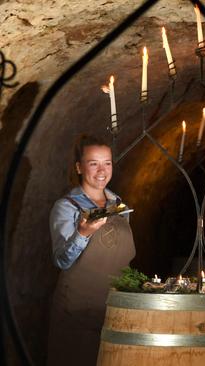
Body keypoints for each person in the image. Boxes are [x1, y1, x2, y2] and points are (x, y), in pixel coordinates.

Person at [47, 134, 136, 366]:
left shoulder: (119, 205)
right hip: (76, 313)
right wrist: (82, 234)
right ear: (79, 167)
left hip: (113, 312)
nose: (102, 170)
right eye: (93, 163)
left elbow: (122, 259)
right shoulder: (66, 208)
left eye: (107, 162)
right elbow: (61, 261)